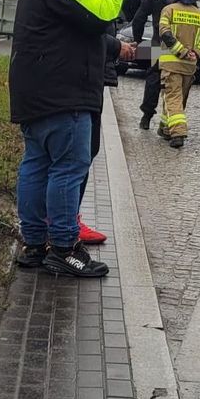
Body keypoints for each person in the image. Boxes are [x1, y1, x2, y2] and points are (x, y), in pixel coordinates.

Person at [9, 0, 136, 278]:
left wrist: (116, 47)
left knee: (36, 163)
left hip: (35, 92)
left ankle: (35, 245)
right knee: (68, 167)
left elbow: (78, 30)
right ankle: (64, 249)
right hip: (63, 95)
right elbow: (101, 14)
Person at [76, 33, 136, 246]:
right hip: (83, 77)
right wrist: (118, 45)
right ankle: (66, 226)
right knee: (79, 156)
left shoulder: (160, 5)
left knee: (81, 154)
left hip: (94, 69)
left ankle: (55, 224)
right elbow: (88, 27)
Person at [132, 0, 194, 130]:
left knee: (153, 79)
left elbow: (139, 18)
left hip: (157, 44)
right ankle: (169, 123)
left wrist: (138, 41)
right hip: (180, 48)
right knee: (176, 87)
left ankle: (146, 117)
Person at [157, 0, 200, 149]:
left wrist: (182, 51)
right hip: (190, 66)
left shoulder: (168, 10)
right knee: (178, 99)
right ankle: (165, 128)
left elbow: (165, 33)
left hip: (171, 63)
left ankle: (178, 133)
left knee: (172, 97)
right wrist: (195, 52)